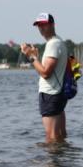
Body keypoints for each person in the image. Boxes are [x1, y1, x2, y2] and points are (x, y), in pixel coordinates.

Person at [20, 13, 69, 143]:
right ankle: (63, 161)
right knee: (60, 135)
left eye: (44, 25)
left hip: (51, 94)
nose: (41, 28)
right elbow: (47, 70)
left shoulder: (53, 44)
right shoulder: (58, 42)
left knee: (51, 136)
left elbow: (46, 73)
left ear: (52, 25)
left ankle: (52, 163)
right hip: (58, 93)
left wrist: (30, 56)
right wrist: (36, 57)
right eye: (39, 25)